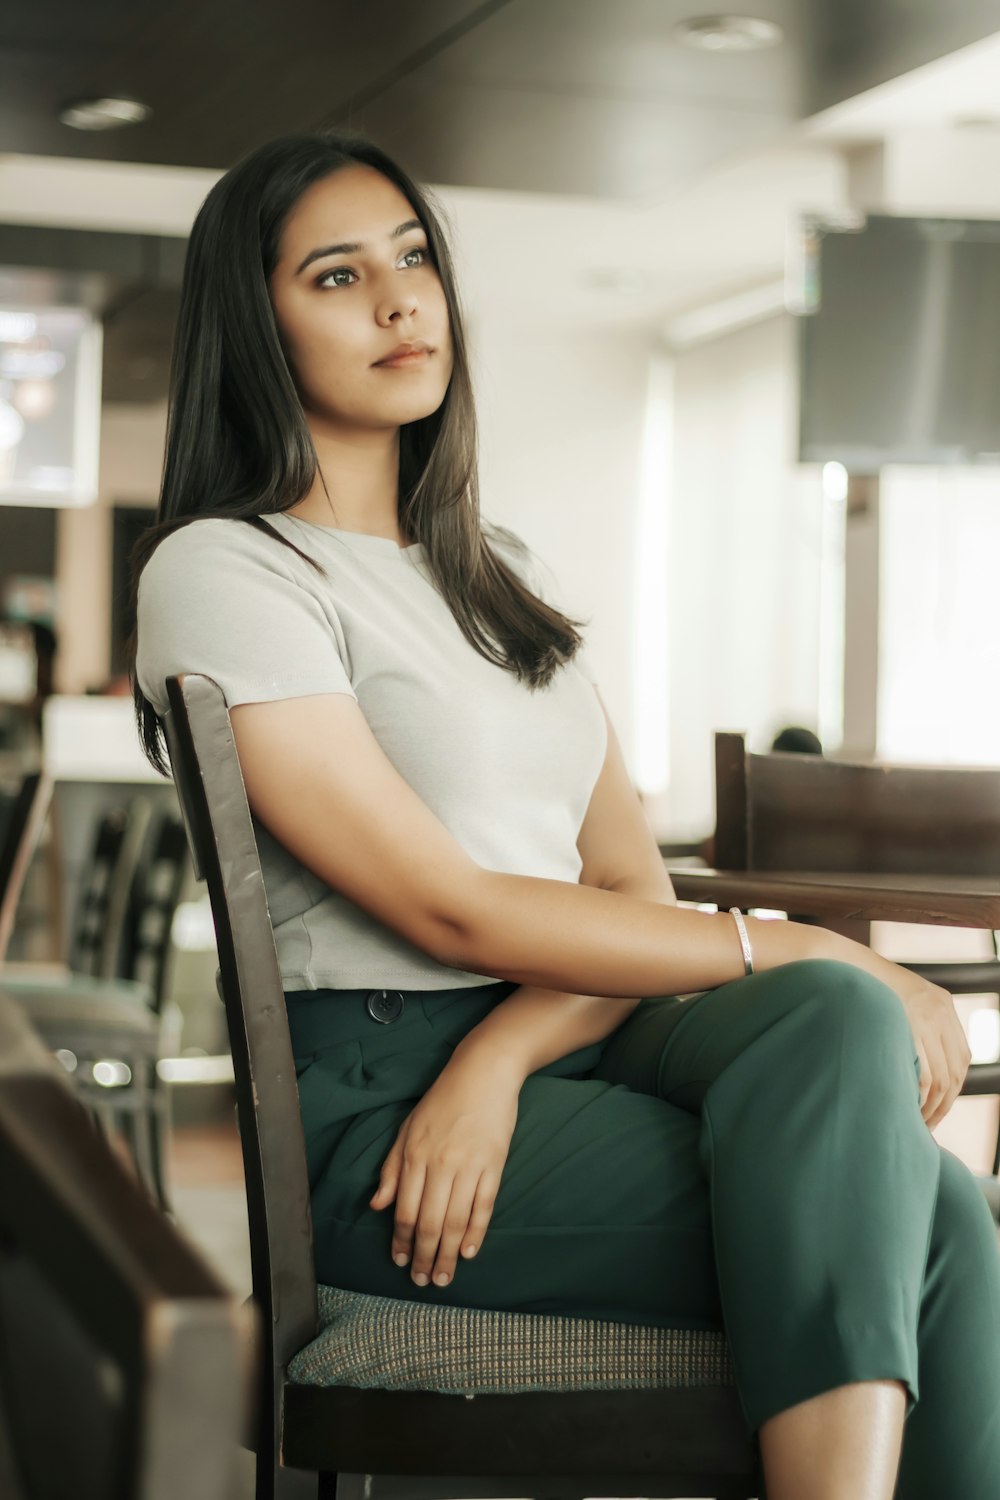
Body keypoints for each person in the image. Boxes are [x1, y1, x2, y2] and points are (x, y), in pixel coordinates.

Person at [127, 130, 1000, 1500]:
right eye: (340, 276)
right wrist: (826, 943)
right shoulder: (228, 568)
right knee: (938, 1212)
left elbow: (627, 897)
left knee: (835, 1044)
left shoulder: (497, 573)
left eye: (416, 259)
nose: (403, 301)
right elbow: (448, 908)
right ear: (257, 322)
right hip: (376, 1118)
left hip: (559, 1056)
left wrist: (501, 1065)